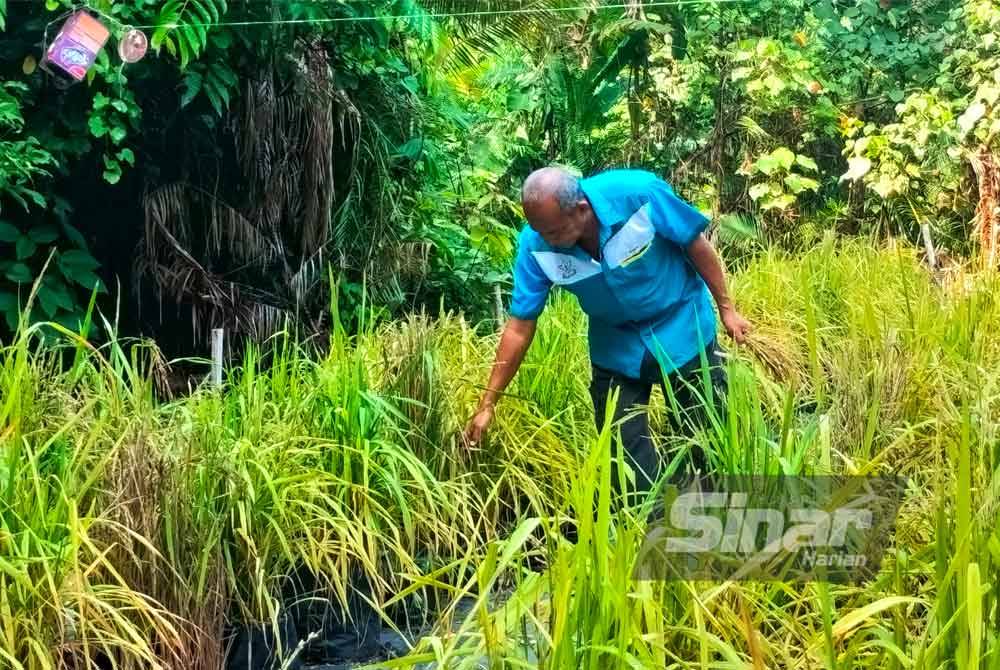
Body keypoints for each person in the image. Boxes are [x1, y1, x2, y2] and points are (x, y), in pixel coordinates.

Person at [463, 167, 750, 501]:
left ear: (581, 209)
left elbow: (695, 244)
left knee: (706, 433)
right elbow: (519, 326)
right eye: (539, 231)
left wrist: (727, 308)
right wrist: (488, 403)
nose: (546, 240)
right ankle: (651, 526)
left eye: (554, 232)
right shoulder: (535, 244)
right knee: (622, 454)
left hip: (682, 326)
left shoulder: (639, 194)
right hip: (615, 347)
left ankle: (714, 513)